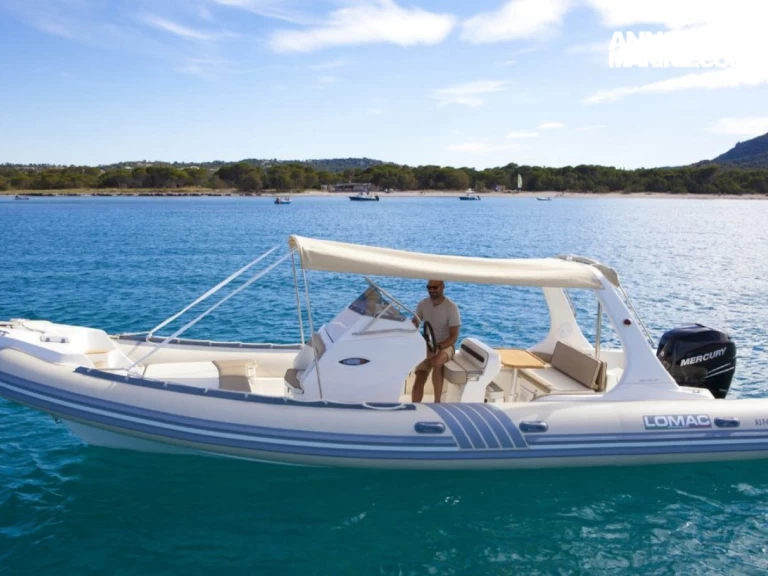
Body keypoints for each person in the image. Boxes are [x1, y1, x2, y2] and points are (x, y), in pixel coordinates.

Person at [411, 280, 461, 403]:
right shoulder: (423, 304)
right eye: (429, 287)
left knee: (437, 361)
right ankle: (414, 406)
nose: (432, 290)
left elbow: (454, 336)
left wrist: (439, 347)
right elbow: (415, 323)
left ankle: (437, 402)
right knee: (420, 375)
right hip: (428, 344)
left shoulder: (451, 307)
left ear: (443, 286)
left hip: (446, 345)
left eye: (435, 287)